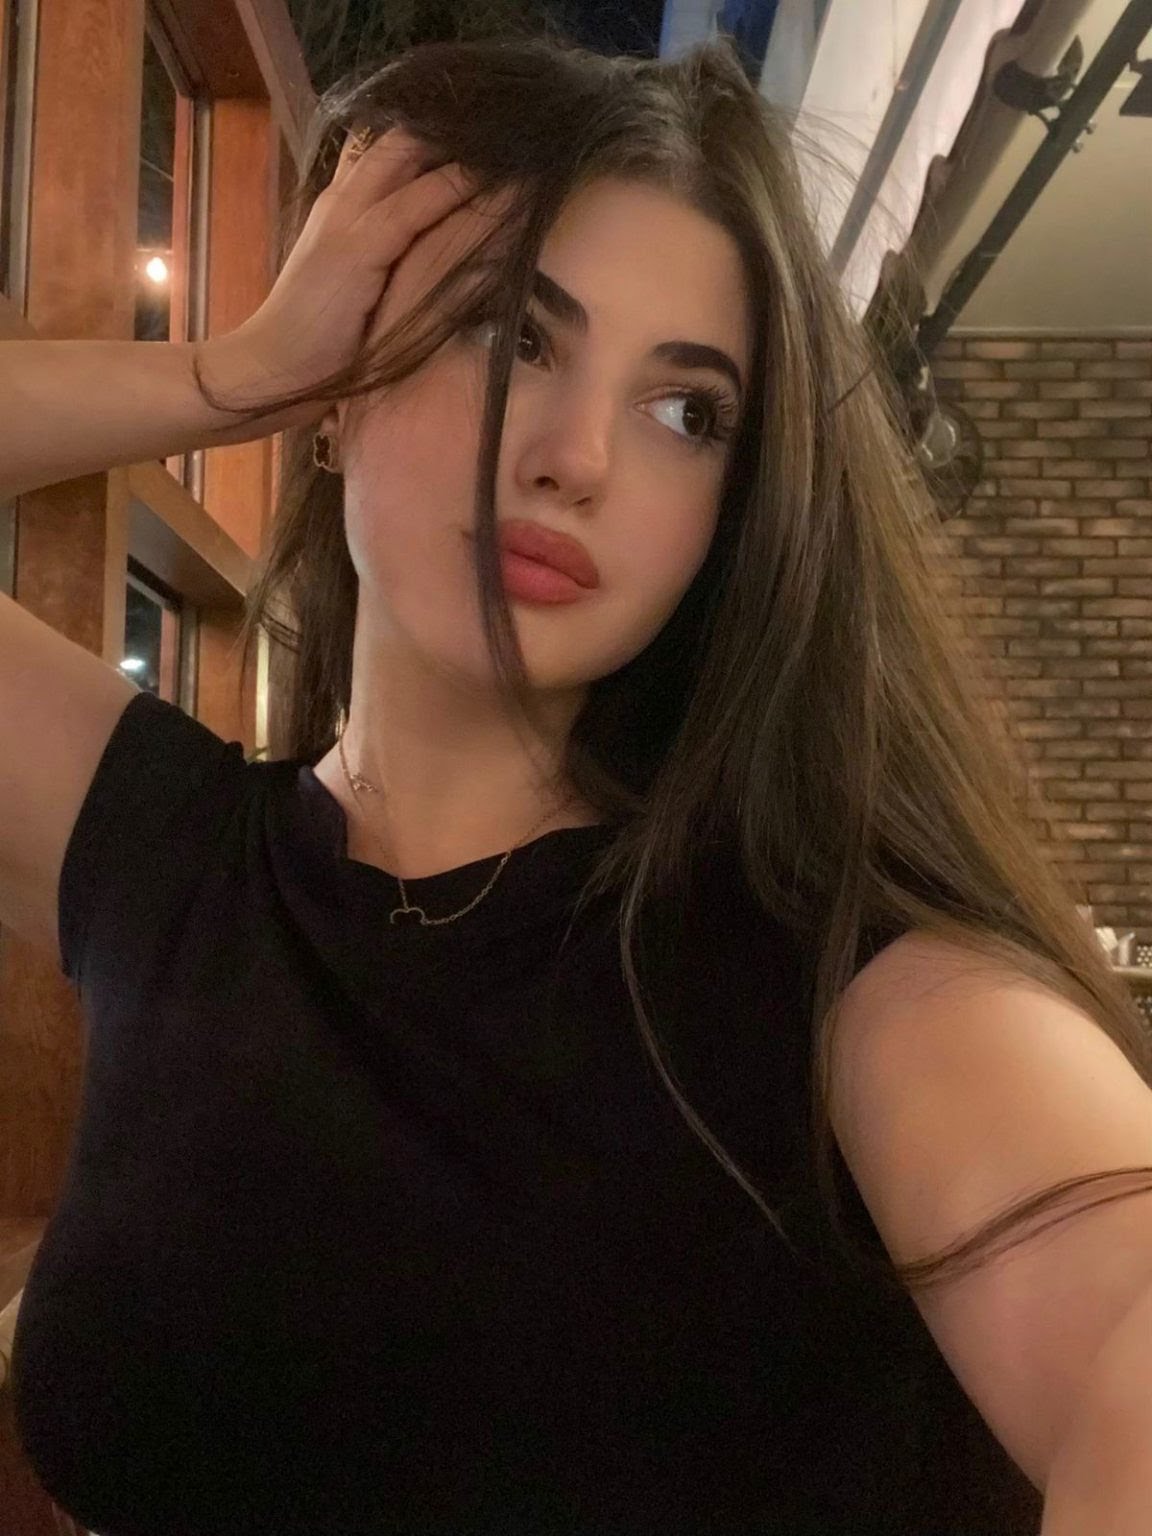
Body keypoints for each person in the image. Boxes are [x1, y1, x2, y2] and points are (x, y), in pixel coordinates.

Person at [1, 27, 1150, 1536]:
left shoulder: (852, 983)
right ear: (336, 393)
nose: (577, 458)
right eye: (507, 334)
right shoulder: (171, 859)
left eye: (687, 413)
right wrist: (231, 373)